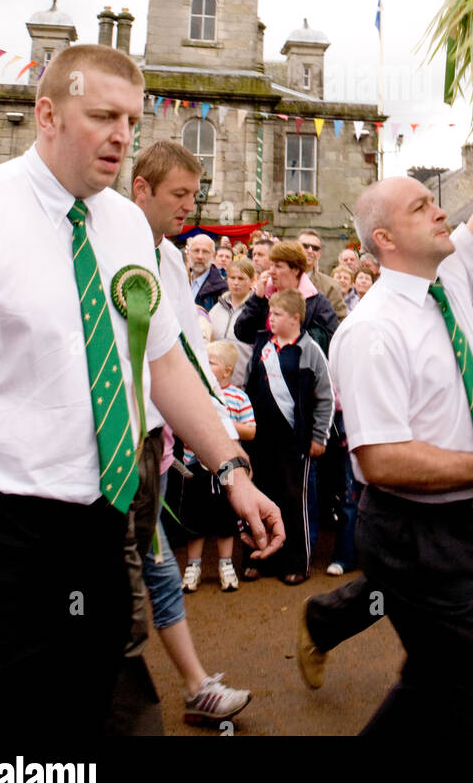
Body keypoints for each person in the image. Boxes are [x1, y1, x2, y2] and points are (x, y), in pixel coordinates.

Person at [0, 45, 283, 736]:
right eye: (102, 115)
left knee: (97, 697)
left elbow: (164, 367)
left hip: (102, 518)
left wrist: (233, 468)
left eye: (131, 118)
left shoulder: (129, 227)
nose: (122, 135)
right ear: (46, 114)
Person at [329, 126, 473, 736]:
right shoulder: (372, 330)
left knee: (434, 678)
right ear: (386, 239)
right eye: (421, 206)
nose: (440, 208)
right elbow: (382, 461)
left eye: (435, 200)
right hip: (414, 535)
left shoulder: (449, 281)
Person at [130, 139, 253, 724]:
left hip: (150, 447)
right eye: (179, 195)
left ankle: (195, 683)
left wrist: (219, 433)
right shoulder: (105, 246)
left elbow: (184, 348)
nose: (189, 207)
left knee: (154, 563)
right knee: (125, 586)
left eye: (193, 195)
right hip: (101, 450)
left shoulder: (173, 259)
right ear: (141, 189)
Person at [240, 289, 333, 584]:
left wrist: (319, 436)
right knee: (259, 497)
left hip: (296, 442)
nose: (271, 319)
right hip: (260, 441)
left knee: (294, 502)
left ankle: (296, 562)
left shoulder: (309, 350)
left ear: (295, 318)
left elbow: (325, 397)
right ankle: (259, 558)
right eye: (270, 313)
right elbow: (246, 385)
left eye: (277, 314)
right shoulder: (262, 346)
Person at [180, 345, 256, 594]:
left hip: (225, 467)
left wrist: (223, 423)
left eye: (211, 362)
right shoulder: (196, 394)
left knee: (225, 517)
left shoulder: (238, 397)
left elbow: (251, 430)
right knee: (194, 518)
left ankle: (226, 565)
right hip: (195, 464)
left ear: (227, 371)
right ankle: (193, 567)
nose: (206, 365)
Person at [209, 256, 255, 380]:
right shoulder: (216, 309)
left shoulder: (255, 310)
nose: (236, 282)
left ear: (252, 281)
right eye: (232, 278)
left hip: (243, 380)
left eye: (241, 278)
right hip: (216, 381)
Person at [298, 229, 348, 323]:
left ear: (319, 254)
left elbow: (340, 320)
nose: (310, 250)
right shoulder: (281, 279)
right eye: (305, 246)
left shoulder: (331, 286)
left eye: (315, 248)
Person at [186, 234, 228, 311]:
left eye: (205, 252)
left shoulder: (222, 290)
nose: (200, 256)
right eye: (196, 251)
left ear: (213, 256)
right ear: (188, 254)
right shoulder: (179, 281)